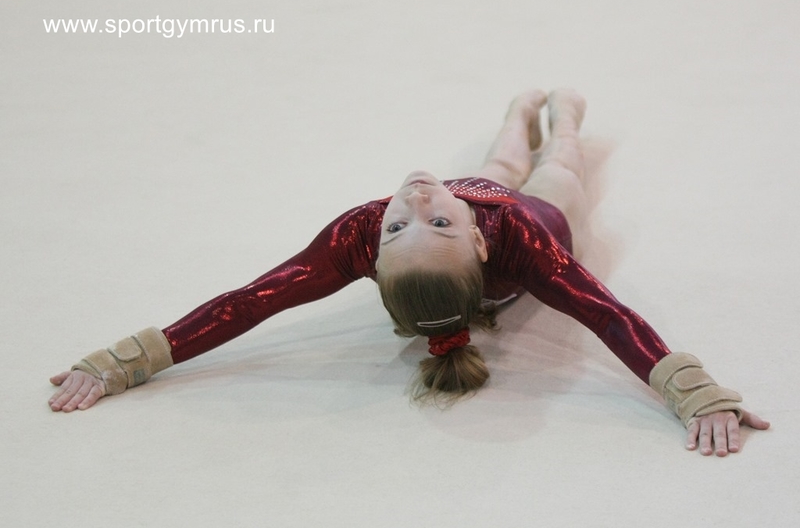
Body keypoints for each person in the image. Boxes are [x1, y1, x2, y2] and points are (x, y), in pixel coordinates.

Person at [48, 89, 769, 456]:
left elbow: (248, 302)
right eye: (425, 222)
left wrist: (126, 361)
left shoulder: (360, 231)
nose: (416, 201)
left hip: (492, 198)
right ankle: (561, 119)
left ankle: (527, 114)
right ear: (478, 242)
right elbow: (609, 314)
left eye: (403, 226)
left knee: (498, 164)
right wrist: (693, 394)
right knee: (559, 169)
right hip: (546, 214)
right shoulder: (521, 240)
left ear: (372, 258)